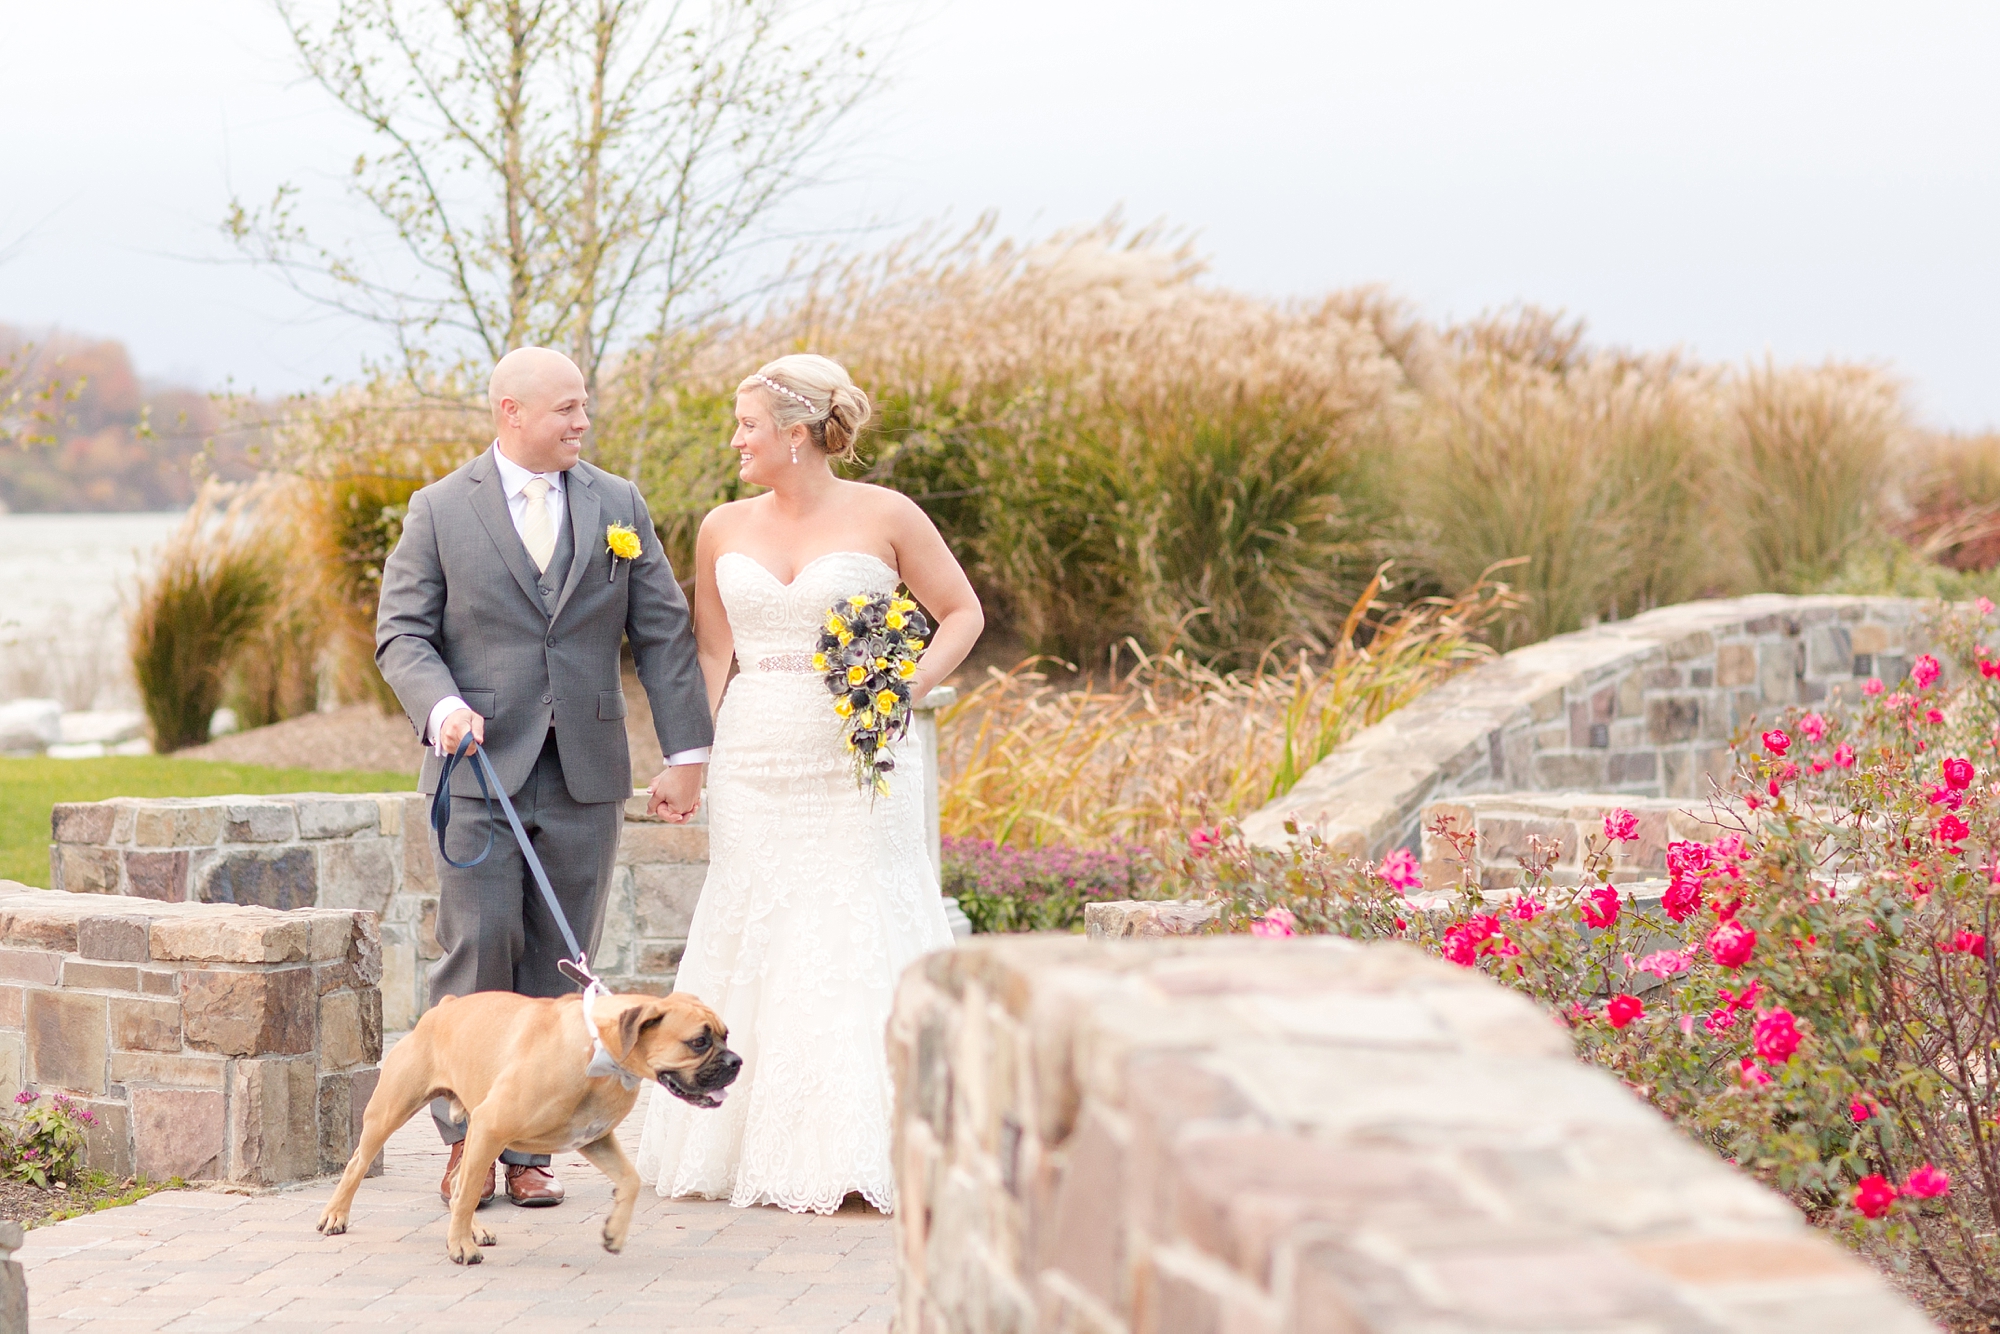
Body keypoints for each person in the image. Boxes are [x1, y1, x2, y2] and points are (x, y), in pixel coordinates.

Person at [635, 353, 982, 1214]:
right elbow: (715, 653)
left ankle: (874, 1144)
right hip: (755, 756)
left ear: (796, 434)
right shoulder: (721, 526)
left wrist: (907, 686)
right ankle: (746, 1143)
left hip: (857, 762)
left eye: (747, 425)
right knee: (761, 926)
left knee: (852, 927)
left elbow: (962, 612)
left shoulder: (888, 514)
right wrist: (690, 759)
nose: (736, 439)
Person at [375, 346, 712, 1210]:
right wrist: (441, 706)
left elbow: (666, 634)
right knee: (478, 958)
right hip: (476, 770)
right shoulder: (440, 510)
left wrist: (686, 755)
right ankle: (470, 1147)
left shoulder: (618, 503)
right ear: (510, 412)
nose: (582, 421)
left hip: (586, 772)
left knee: (566, 971)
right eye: (565, 408)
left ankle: (534, 1151)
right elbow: (402, 635)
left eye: (585, 405)